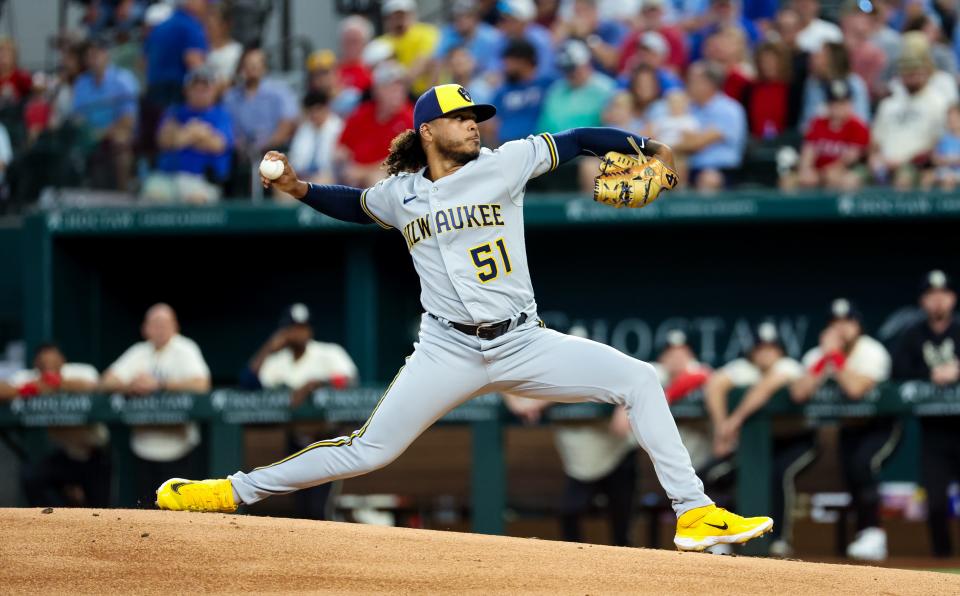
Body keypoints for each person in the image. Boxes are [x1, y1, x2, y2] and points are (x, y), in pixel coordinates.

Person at [156, 81, 774, 554]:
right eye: (461, 118)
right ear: (428, 130)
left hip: (522, 341)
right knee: (369, 451)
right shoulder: (401, 193)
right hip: (445, 350)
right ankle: (231, 490)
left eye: (477, 117)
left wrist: (648, 146)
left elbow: (582, 139)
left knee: (639, 379)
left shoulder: (504, 163)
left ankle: (693, 512)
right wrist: (296, 186)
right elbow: (355, 204)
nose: (475, 126)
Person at [505, 327, 638, 547]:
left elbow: (639, 378)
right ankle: (576, 562)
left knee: (621, 524)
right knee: (569, 511)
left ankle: (625, 574)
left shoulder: (604, 368)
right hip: (581, 463)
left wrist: (625, 406)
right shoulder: (550, 377)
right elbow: (510, 388)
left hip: (616, 455)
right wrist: (528, 400)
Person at [791, 299, 894, 561]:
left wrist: (835, 357)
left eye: (847, 323)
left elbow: (856, 389)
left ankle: (874, 533)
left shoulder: (872, 351)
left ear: (858, 326)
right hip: (846, 428)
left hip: (879, 426)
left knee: (863, 464)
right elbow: (799, 392)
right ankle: (864, 535)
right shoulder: (818, 355)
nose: (842, 329)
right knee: (850, 476)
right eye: (835, 324)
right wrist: (825, 358)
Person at [243, 303, 358, 521]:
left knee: (319, 510)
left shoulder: (328, 353)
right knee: (302, 511)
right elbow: (249, 384)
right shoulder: (277, 361)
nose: (299, 333)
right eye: (293, 328)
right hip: (295, 440)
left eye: (303, 327)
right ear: (284, 332)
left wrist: (316, 383)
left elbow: (350, 380)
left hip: (326, 439)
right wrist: (269, 346)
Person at [703, 323, 806, 556]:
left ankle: (779, 538)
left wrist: (734, 420)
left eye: (772, 348)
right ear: (752, 352)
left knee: (778, 475)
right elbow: (715, 384)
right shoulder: (745, 368)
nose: (766, 353)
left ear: (780, 351)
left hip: (792, 441)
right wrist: (721, 428)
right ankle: (722, 535)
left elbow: (765, 387)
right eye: (761, 348)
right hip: (752, 446)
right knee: (713, 475)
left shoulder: (787, 366)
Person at [102, 303, 211, 508]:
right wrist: (129, 385)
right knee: (145, 509)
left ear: (175, 326)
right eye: (154, 323)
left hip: (179, 445)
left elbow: (202, 384)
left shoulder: (185, 348)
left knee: (178, 509)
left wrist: (160, 384)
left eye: (165, 323)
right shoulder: (139, 351)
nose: (160, 328)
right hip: (143, 445)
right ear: (145, 328)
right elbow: (105, 381)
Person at [891, 270, 960, 557]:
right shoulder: (912, 334)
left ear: (953, 298)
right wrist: (930, 374)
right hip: (933, 433)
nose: (937, 301)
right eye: (931, 296)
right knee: (934, 502)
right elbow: (896, 374)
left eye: (943, 295)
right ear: (923, 301)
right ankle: (942, 563)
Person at [5, 344, 109, 508]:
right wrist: (30, 387)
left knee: (99, 508)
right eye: (44, 363)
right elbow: (4, 390)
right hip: (64, 455)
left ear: (62, 360)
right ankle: (56, 521)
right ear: (36, 364)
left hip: (93, 453)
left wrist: (58, 382)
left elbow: (97, 385)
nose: (49, 366)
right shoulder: (30, 377)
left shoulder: (80, 370)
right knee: (31, 476)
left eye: (53, 361)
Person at [143, 66, 233, 203]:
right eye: (195, 89)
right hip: (167, 177)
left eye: (205, 89)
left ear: (214, 91)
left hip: (202, 180)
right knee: (153, 194)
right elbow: (164, 141)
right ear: (186, 91)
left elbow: (218, 145)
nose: (200, 93)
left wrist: (181, 136)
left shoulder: (221, 115)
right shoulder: (174, 111)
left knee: (194, 199)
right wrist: (196, 132)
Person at [869, 49, 952, 191]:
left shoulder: (938, 103)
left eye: (916, 73)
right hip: (882, 164)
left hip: (916, 165)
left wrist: (904, 161)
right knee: (849, 181)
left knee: (903, 180)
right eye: (908, 73)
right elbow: (875, 141)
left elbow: (938, 144)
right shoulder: (889, 103)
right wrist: (874, 158)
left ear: (926, 73)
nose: (912, 77)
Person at [71, 36, 140, 191]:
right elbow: (77, 117)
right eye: (88, 56)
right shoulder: (81, 83)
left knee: (121, 141)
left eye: (96, 54)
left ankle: (123, 196)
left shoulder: (124, 79)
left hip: (115, 132)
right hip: (88, 136)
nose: (92, 59)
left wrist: (102, 133)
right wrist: (88, 132)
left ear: (106, 55)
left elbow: (128, 119)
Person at [781, 78, 869, 192]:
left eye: (842, 103)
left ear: (850, 104)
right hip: (818, 172)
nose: (838, 108)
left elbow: (848, 161)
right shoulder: (818, 123)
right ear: (827, 104)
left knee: (841, 180)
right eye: (834, 103)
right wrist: (806, 170)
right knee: (789, 180)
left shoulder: (858, 127)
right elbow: (808, 152)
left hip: (845, 171)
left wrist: (821, 175)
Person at [337, 61, 414, 188]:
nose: (398, 91)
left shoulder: (409, 118)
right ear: (377, 90)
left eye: (401, 86)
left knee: (376, 181)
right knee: (319, 182)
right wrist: (346, 164)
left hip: (391, 179)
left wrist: (362, 171)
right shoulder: (362, 113)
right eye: (391, 86)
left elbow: (403, 161)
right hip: (352, 173)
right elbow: (341, 148)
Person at [672, 61, 747, 191]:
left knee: (708, 179)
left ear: (708, 84)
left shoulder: (729, 109)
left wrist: (665, 147)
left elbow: (697, 143)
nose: (687, 85)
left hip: (721, 170)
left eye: (693, 81)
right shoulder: (688, 108)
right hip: (689, 168)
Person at [224, 48, 299, 163]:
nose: (252, 68)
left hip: (275, 151)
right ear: (241, 68)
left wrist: (266, 146)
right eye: (248, 65)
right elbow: (228, 126)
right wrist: (241, 146)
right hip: (242, 155)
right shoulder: (232, 96)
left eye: (256, 64)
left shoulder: (279, 91)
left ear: (264, 67)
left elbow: (288, 122)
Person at [537, 40, 616, 133]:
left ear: (586, 64)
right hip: (555, 143)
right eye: (566, 69)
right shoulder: (556, 89)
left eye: (573, 68)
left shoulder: (607, 88)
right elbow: (544, 125)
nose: (570, 74)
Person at [143, 0, 208, 108]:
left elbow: (144, 61)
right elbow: (194, 62)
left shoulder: (160, 27)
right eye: (203, 1)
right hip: (176, 94)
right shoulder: (191, 26)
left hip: (153, 91)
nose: (206, 6)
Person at [489, 39, 551, 145]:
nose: (505, 67)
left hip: (538, 143)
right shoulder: (503, 90)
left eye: (509, 62)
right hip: (506, 145)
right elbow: (492, 123)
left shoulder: (547, 84)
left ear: (523, 61)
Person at [376, 0, 440, 95]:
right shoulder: (381, 42)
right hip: (397, 95)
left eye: (402, 15)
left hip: (422, 91)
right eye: (395, 15)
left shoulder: (427, 33)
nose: (399, 20)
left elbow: (422, 64)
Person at [286, 91, 343, 189]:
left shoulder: (339, 128)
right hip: (305, 176)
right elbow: (296, 159)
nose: (315, 114)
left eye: (318, 110)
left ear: (326, 108)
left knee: (318, 183)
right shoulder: (304, 129)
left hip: (332, 177)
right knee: (283, 188)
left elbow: (336, 163)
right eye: (311, 111)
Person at [435, 0, 503, 77]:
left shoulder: (492, 37)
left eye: (466, 16)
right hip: (452, 75)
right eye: (457, 17)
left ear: (476, 17)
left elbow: (495, 68)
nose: (461, 20)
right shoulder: (448, 32)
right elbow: (437, 58)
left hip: (481, 78)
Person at [204, 3, 243, 90]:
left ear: (225, 25)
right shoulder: (199, 50)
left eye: (212, 25)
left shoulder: (237, 51)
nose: (207, 29)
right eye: (206, 24)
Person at [926, 105, 960, 192]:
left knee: (948, 180)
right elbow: (935, 158)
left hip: (956, 172)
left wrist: (948, 160)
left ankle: (949, 205)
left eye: (954, 119)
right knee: (927, 178)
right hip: (944, 170)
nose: (951, 121)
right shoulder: (943, 138)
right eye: (949, 119)